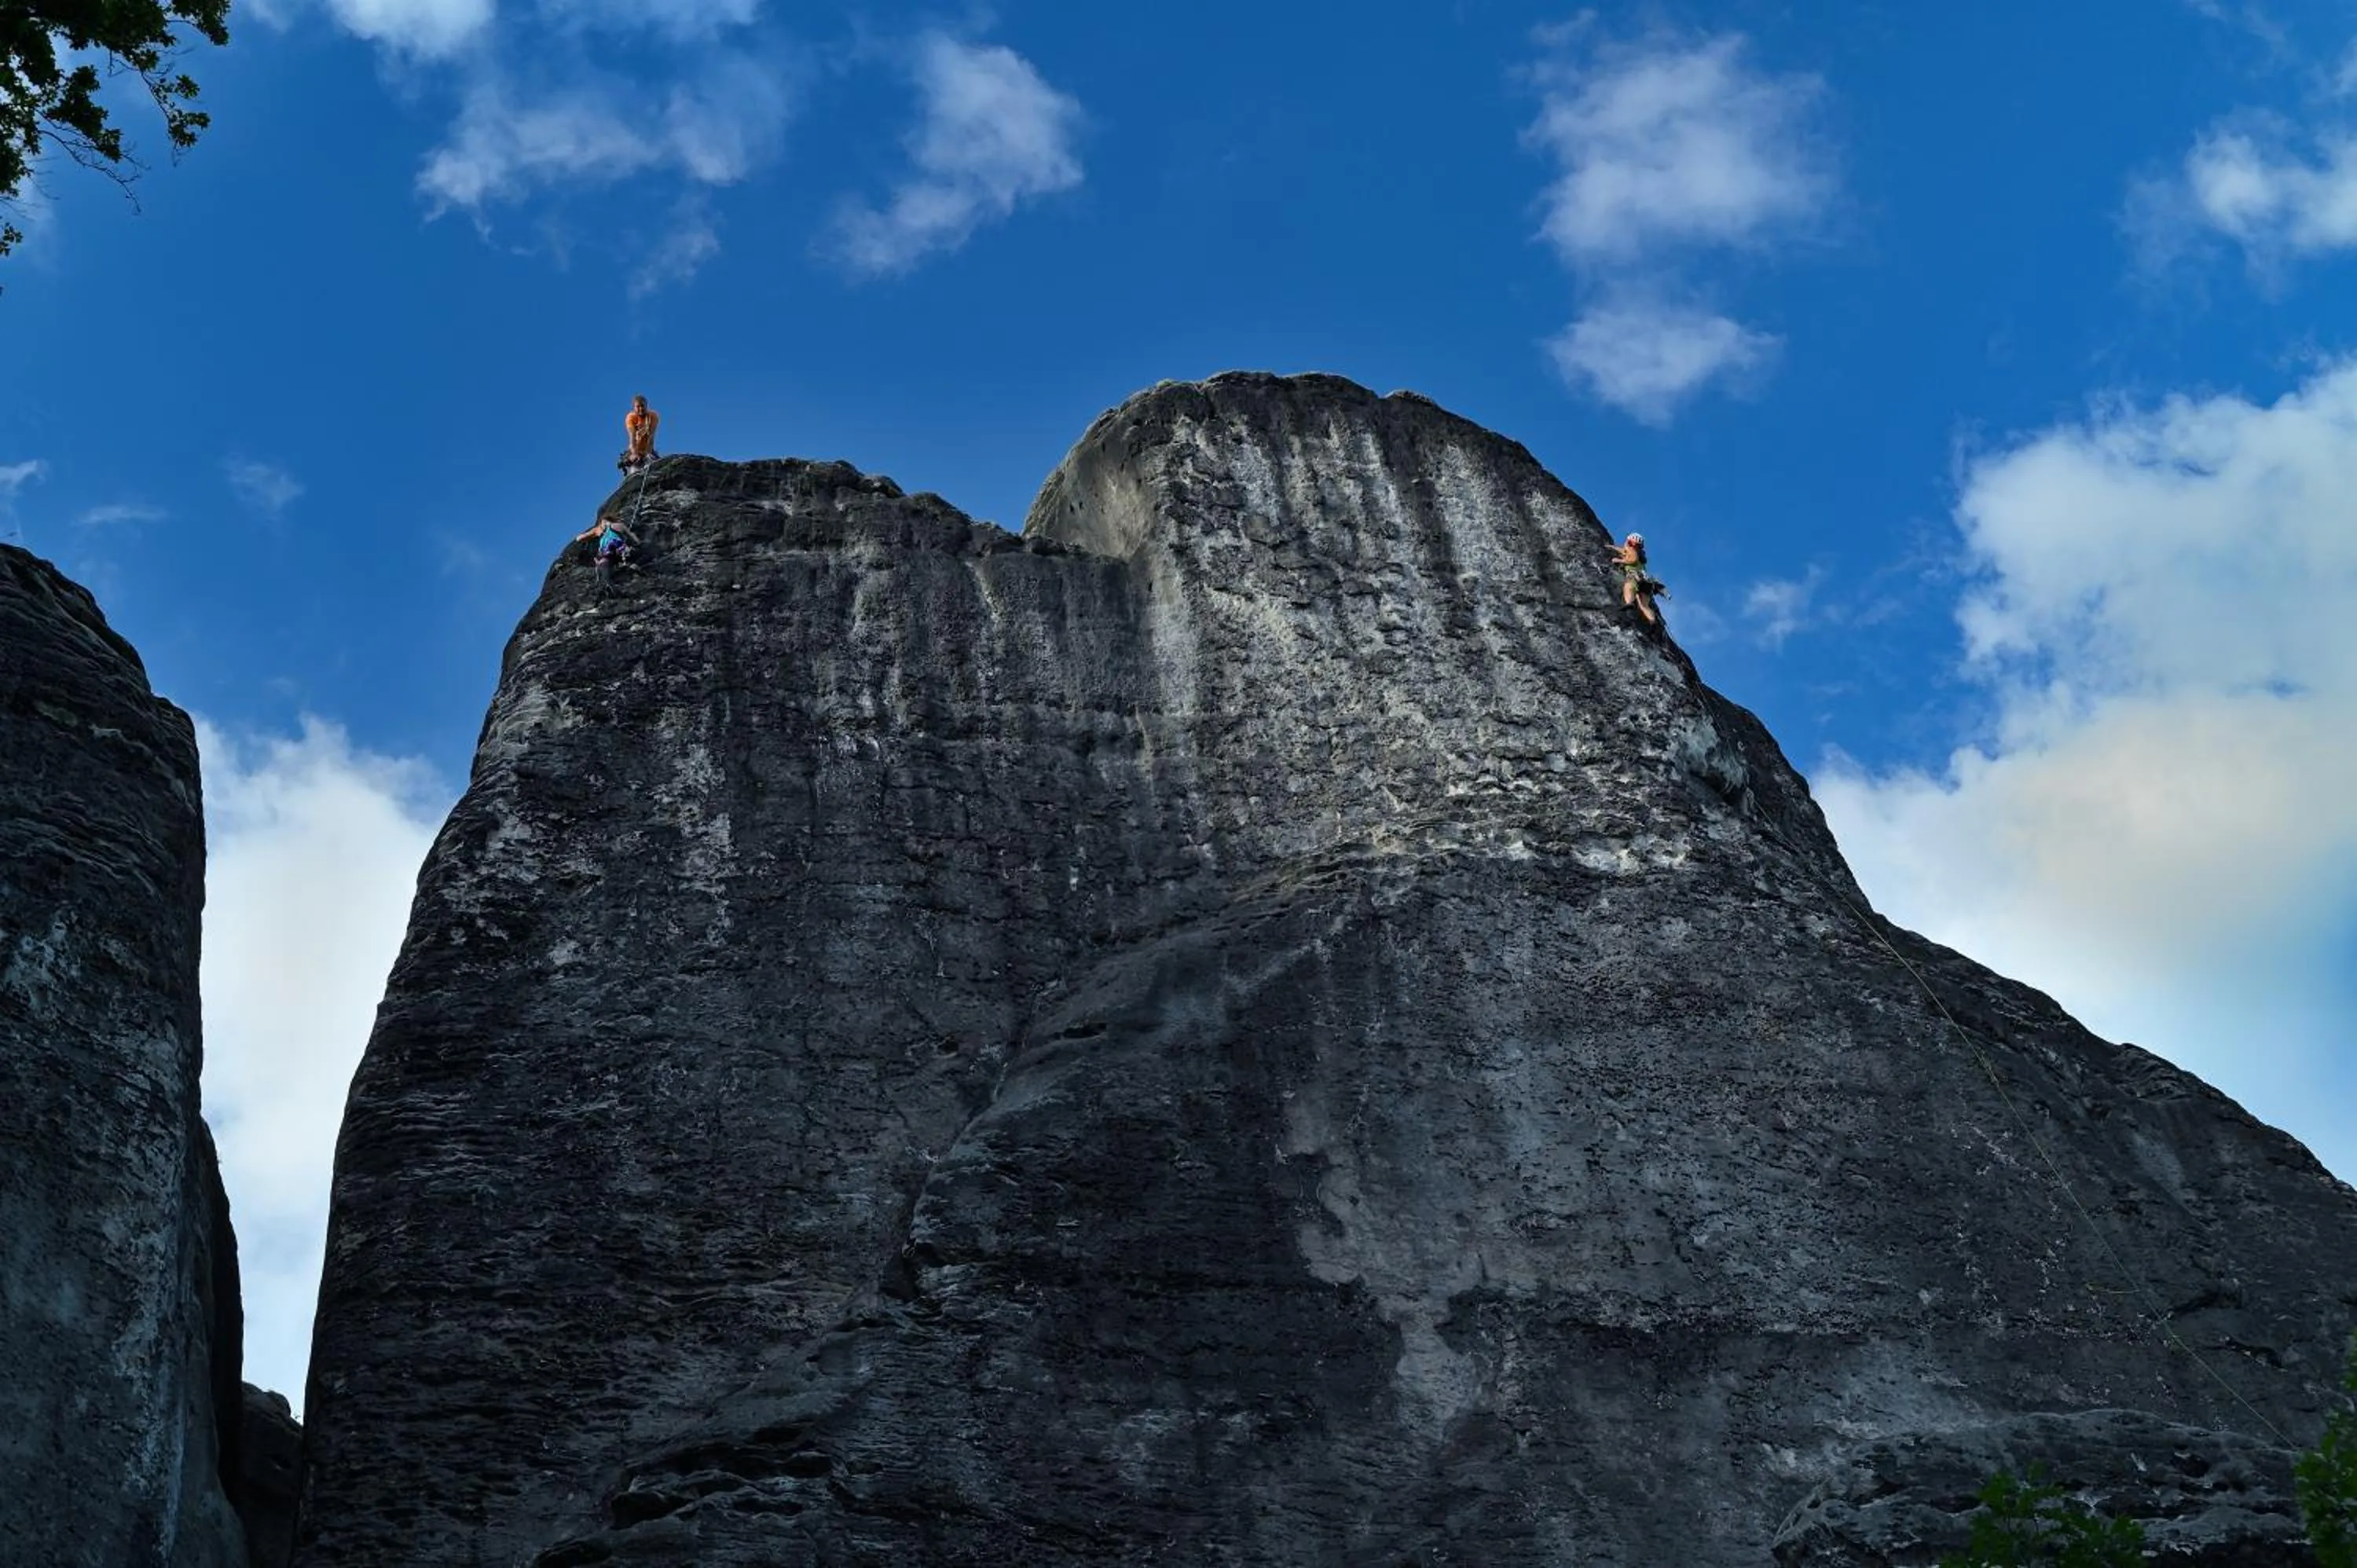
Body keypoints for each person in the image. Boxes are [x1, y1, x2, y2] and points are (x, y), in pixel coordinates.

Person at [1608, 533, 1662, 627]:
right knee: (1644, 605)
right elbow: (1623, 551)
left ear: (1630, 542)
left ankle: (1629, 604)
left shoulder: (1632, 550)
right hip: (1646, 581)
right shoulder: (1639, 554)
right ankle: (1652, 621)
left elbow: (1633, 559)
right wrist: (1612, 547)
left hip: (1635, 575)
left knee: (1628, 587)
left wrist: (1619, 560)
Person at [577, 512, 640, 592]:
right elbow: (634, 537)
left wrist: (591, 535)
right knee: (637, 555)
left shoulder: (598, 529)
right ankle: (633, 566)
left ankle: (609, 584)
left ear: (602, 521)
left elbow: (579, 539)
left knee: (604, 563)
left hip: (607, 552)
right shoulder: (620, 525)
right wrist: (637, 543)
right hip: (621, 550)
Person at [621, 395, 660, 473]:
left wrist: (648, 454)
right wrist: (634, 454)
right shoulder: (631, 418)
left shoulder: (653, 416)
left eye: (642, 406)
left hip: (648, 449)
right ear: (634, 408)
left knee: (653, 467)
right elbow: (632, 437)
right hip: (635, 449)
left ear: (647, 406)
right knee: (635, 470)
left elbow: (651, 436)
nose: (641, 409)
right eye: (638, 407)